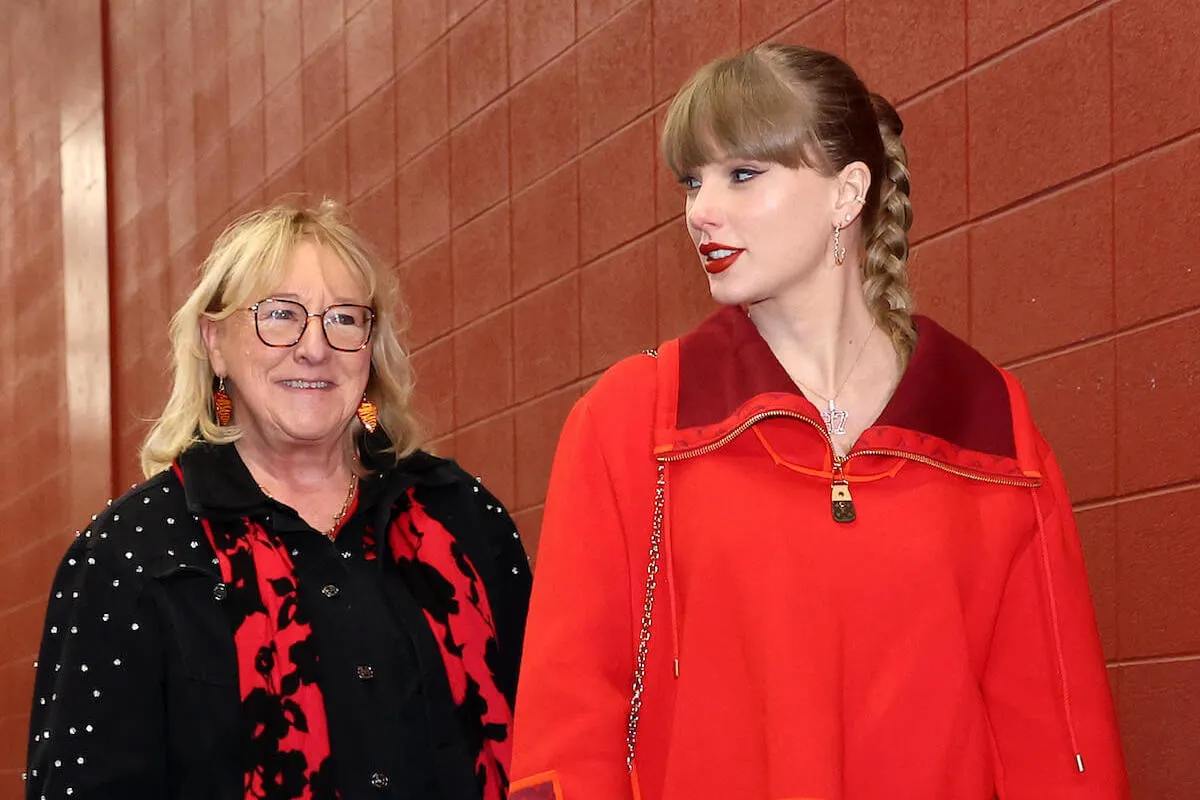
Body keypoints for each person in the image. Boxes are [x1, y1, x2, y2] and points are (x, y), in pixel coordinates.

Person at [508, 44, 1128, 799]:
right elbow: (566, 719)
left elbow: (1058, 737)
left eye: (742, 174)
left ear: (847, 193)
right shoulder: (634, 419)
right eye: (692, 181)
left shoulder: (991, 430)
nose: (702, 210)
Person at [26, 200, 532, 799]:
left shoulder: (461, 515)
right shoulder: (129, 558)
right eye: (280, 315)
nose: (314, 348)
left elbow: (552, 734)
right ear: (215, 342)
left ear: (372, 350)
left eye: (344, 319)